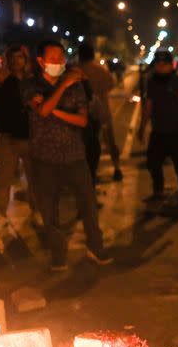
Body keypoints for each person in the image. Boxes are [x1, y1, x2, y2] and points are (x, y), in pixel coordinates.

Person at [21, 40, 112, 270]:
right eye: (53, 59)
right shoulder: (31, 85)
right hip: (45, 158)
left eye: (61, 58)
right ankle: (58, 256)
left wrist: (53, 110)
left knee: (89, 206)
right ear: (41, 61)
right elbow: (40, 110)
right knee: (50, 212)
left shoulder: (76, 85)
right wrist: (61, 89)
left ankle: (96, 248)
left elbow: (81, 120)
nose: (59, 63)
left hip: (75, 156)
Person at [138, 51, 178, 216]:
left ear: (172, 65)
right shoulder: (152, 82)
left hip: (176, 131)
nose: (161, 67)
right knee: (152, 162)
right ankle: (158, 191)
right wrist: (142, 127)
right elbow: (148, 106)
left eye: (164, 64)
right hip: (158, 131)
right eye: (158, 64)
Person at [0, 44, 38, 232]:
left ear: (26, 60)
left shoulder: (32, 80)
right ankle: (1, 214)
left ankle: (37, 211)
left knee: (34, 179)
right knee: (4, 179)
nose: (16, 61)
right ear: (7, 60)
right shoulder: (0, 78)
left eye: (20, 57)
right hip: (6, 137)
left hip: (30, 137)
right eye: (12, 57)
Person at [78, 44, 122, 182]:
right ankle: (117, 168)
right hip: (102, 110)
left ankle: (88, 173)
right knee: (110, 140)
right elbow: (111, 85)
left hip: (81, 113)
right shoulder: (102, 71)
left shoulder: (75, 71)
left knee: (85, 144)